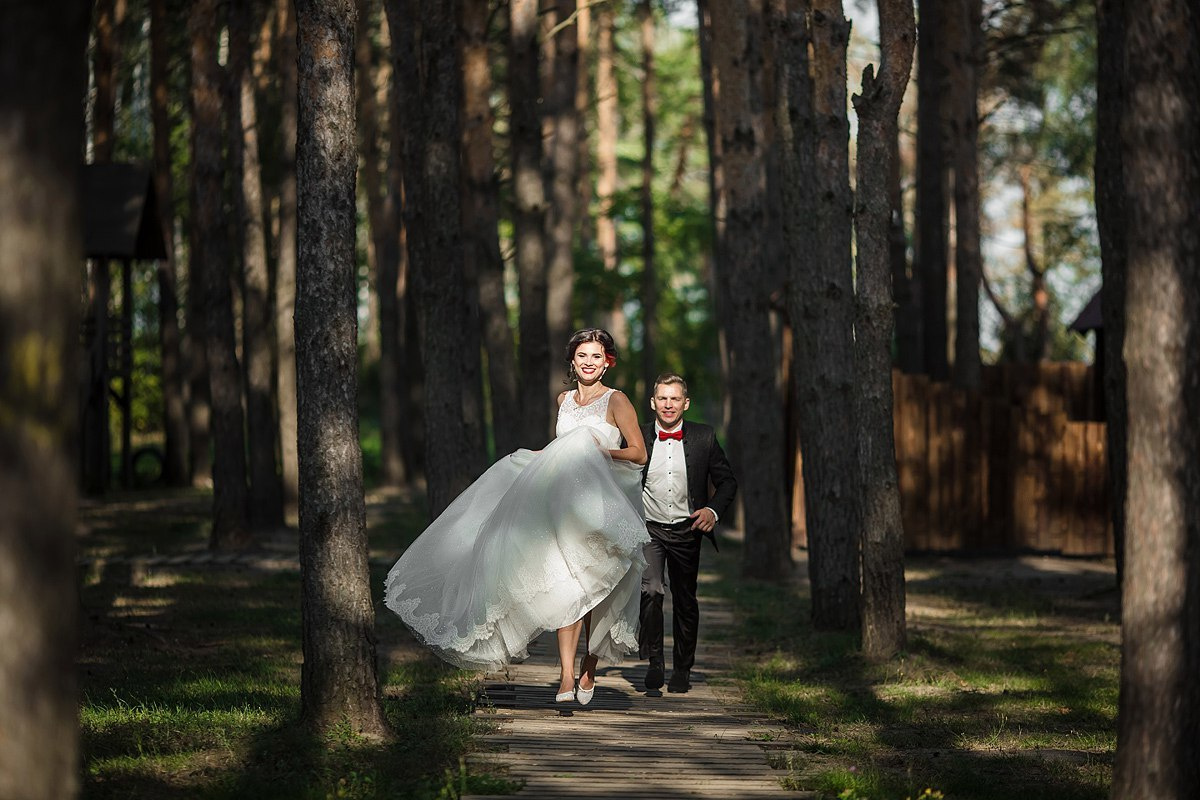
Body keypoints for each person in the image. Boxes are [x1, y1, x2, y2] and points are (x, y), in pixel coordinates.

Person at [384, 329, 649, 706]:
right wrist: (534, 457)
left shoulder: (616, 400)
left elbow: (638, 453)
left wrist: (598, 453)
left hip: (600, 507)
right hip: (560, 506)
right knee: (568, 586)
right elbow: (560, 450)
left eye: (596, 356)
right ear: (572, 362)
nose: (589, 363)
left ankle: (589, 664)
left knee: (596, 593)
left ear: (607, 362)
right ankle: (566, 675)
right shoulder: (563, 400)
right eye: (582, 356)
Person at [638, 373, 737, 694]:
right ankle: (655, 662)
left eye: (675, 398)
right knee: (651, 590)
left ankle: (682, 668)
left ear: (686, 403)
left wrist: (712, 511)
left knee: (685, 599)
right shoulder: (637, 436)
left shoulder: (704, 437)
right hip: (649, 529)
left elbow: (727, 482)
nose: (668, 404)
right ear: (653, 402)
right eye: (662, 398)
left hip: (687, 530)